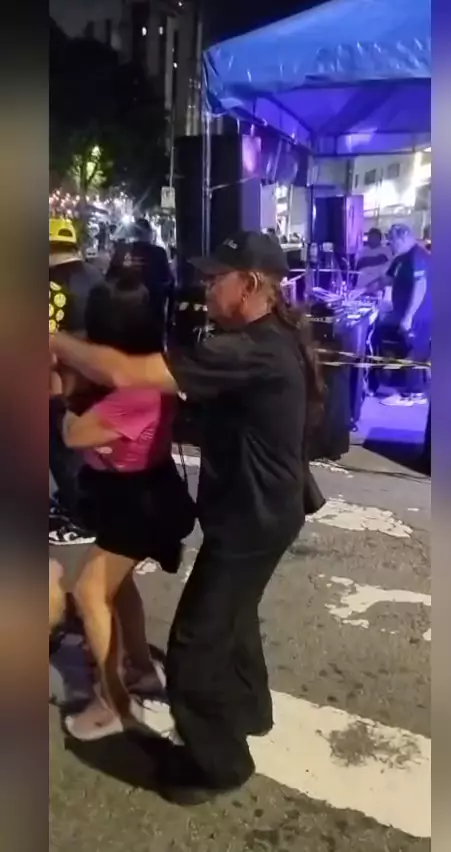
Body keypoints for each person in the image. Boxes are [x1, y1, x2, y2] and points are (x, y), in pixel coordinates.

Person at [51, 231, 324, 804]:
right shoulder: (263, 339)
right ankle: (250, 710)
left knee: (195, 647)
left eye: (216, 278)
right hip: (259, 511)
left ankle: (218, 764)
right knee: (234, 620)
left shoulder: (252, 348)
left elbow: (126, 374)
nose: (206, 288)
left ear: (250, 285)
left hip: (253, 519)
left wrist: (52, 338)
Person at [55, 269, 195, 740]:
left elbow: (75, 435)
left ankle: (114, 703)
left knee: (88, 593)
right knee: (119, 589)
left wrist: (65, 397)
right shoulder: (146, 366)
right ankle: (140, 668)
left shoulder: (135, 390)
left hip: (140, 501)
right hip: (127, 494)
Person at [49, 218, 104, 545]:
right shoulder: (97, 276)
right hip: (97, 373)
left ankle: (82, 516)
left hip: (63, 377)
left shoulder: (50, 284)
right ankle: (83, 504)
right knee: (86, 445)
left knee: (61, 443)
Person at [370, 223, 431, 406]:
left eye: (392, 241)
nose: (390, 245)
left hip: (419, 314)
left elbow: (420, 286)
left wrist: (409, 316)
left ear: (403, 237)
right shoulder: (400, 259)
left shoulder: (417, 256)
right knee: (392, 339)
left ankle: (413, 393)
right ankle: (397, 383)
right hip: (403, 312)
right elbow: (385, 280)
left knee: (413, 349)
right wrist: (361, 290)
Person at [109, 217, 175, 343]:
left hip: (126, 313)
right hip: (153, 311)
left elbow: (109, 279)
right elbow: (168, 281)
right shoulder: (159, 252)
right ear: (149, 234)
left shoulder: (122, 251)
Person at [352, 227, 392, 298]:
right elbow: (358, 265)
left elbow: (381, 259)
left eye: (375, 237)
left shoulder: (386, 250)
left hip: (377, 288)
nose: (373, 239)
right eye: (371, 237)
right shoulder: (362, 250)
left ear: (380, 239)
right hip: (360, 287)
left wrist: (365, 261)